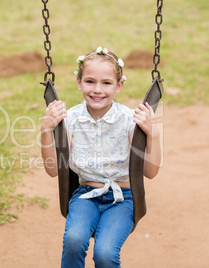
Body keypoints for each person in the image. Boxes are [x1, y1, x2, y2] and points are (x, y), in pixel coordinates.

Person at [40, 46, 162, 267]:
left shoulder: (128, 120)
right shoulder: (71, 120)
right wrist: (46, 130)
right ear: (79, 82)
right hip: (85, 195)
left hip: (122, 199)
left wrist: (152, 133)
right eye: (90, 81)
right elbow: (52, 169)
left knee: (105, 253)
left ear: (119, 85)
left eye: (106, 83)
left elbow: (151, 172)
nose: (97, 90)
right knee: (74, 241)